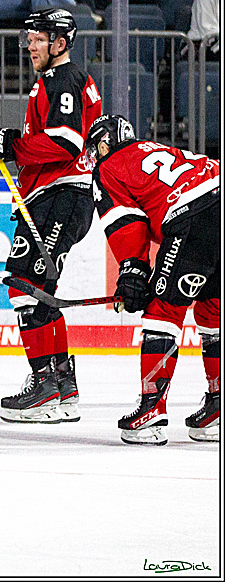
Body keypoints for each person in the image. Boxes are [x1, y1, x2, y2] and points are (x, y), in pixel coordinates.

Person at [0, 9, 102, 423]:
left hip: (60, 196)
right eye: (29, 38)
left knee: (24, 287)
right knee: (40, 291)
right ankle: (62, 387)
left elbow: (66, 142)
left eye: (39, 39)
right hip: (61, 197)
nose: (30, 45)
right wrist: (7, 143)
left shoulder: (61, 79)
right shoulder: (64, 79)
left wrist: (9, 144)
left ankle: (44, 387)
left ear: (60, 43)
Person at [86, 114, 219, 444]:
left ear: (104, 144)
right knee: (212, 309)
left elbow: (126, 221)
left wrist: (132, 268)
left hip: (194, 214)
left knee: (163, 310)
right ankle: (218, 407)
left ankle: (151, 411)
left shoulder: (109, 167)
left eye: (95, 147)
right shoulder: (155, 148)